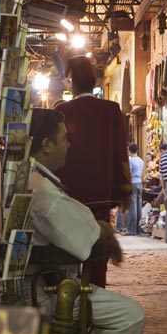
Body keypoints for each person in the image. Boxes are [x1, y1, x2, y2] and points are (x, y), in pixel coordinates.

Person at [26, 108, 145, 334]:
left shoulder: (4, 174)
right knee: (130, 316)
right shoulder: (41, 190)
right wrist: (101, 232)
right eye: (64, 138)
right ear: (47, 144)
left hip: (10, 284)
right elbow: (89, 240)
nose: (69, 145)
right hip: (37, 292)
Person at [54, 56, 132, 287]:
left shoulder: (61, 110)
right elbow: (121, 151)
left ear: (71, 82)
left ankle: (69, 293)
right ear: (94, 81)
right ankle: (96, 292)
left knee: (67, 246)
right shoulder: (111, 110)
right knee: (99, 246)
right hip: (101, 195)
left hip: (68, 194)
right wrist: (124, 187)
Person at [124, 144, 144, 236]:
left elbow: (130, 172)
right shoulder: (141, 160)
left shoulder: (130, 160)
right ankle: (138, 228)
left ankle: (132, 229)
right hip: (139, 182)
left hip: (132, 183)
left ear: (129, 151)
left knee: (132, 207)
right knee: (139, 207)